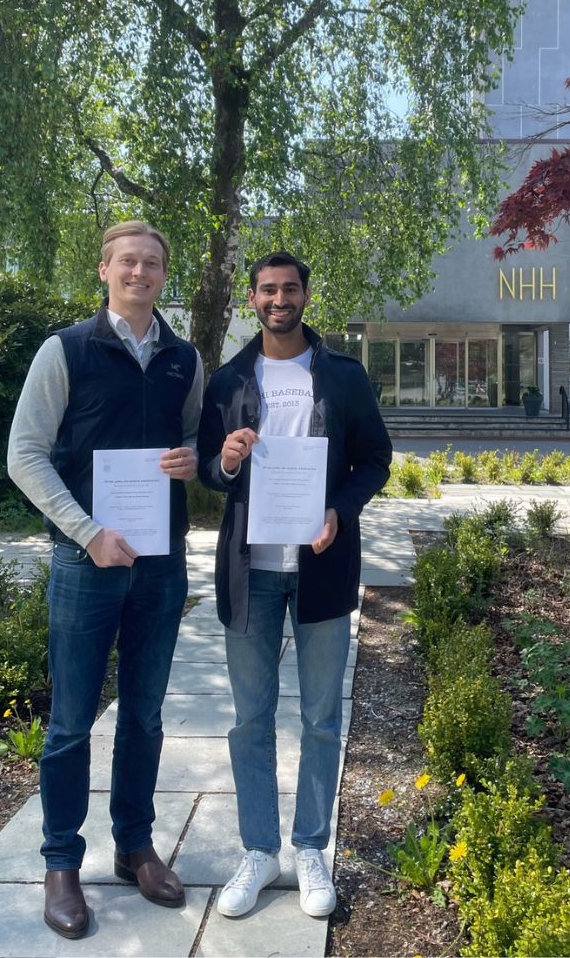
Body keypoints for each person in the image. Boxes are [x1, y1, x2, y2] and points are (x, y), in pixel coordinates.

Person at [3, 219, 204, 940]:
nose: (140, 273)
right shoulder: (66, 350)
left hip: (159, 564)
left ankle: (134, 847)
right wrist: (87, 532)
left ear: (162, 274)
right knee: (69, 722)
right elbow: (25, 456)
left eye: (152, 263)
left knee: (145, 714)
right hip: (86, 561)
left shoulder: (185, 357)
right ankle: (61, 862)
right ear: (104, 269)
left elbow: (196, 441)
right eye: (128, 261)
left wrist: (191, 457)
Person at [197, 252, 391, 920]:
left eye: (290, 289)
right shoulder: (228, 380)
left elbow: (376, 459)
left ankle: (311, 846)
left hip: (322, 567)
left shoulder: (342, 376)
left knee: (320, 718)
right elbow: (206, 469)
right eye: (268, 290)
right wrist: (223, 461)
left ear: (306, 294)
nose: (279, 299)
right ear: (253, 298)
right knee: (250, 718)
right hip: (249, 572)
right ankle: (259, 850)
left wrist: (340, 507)